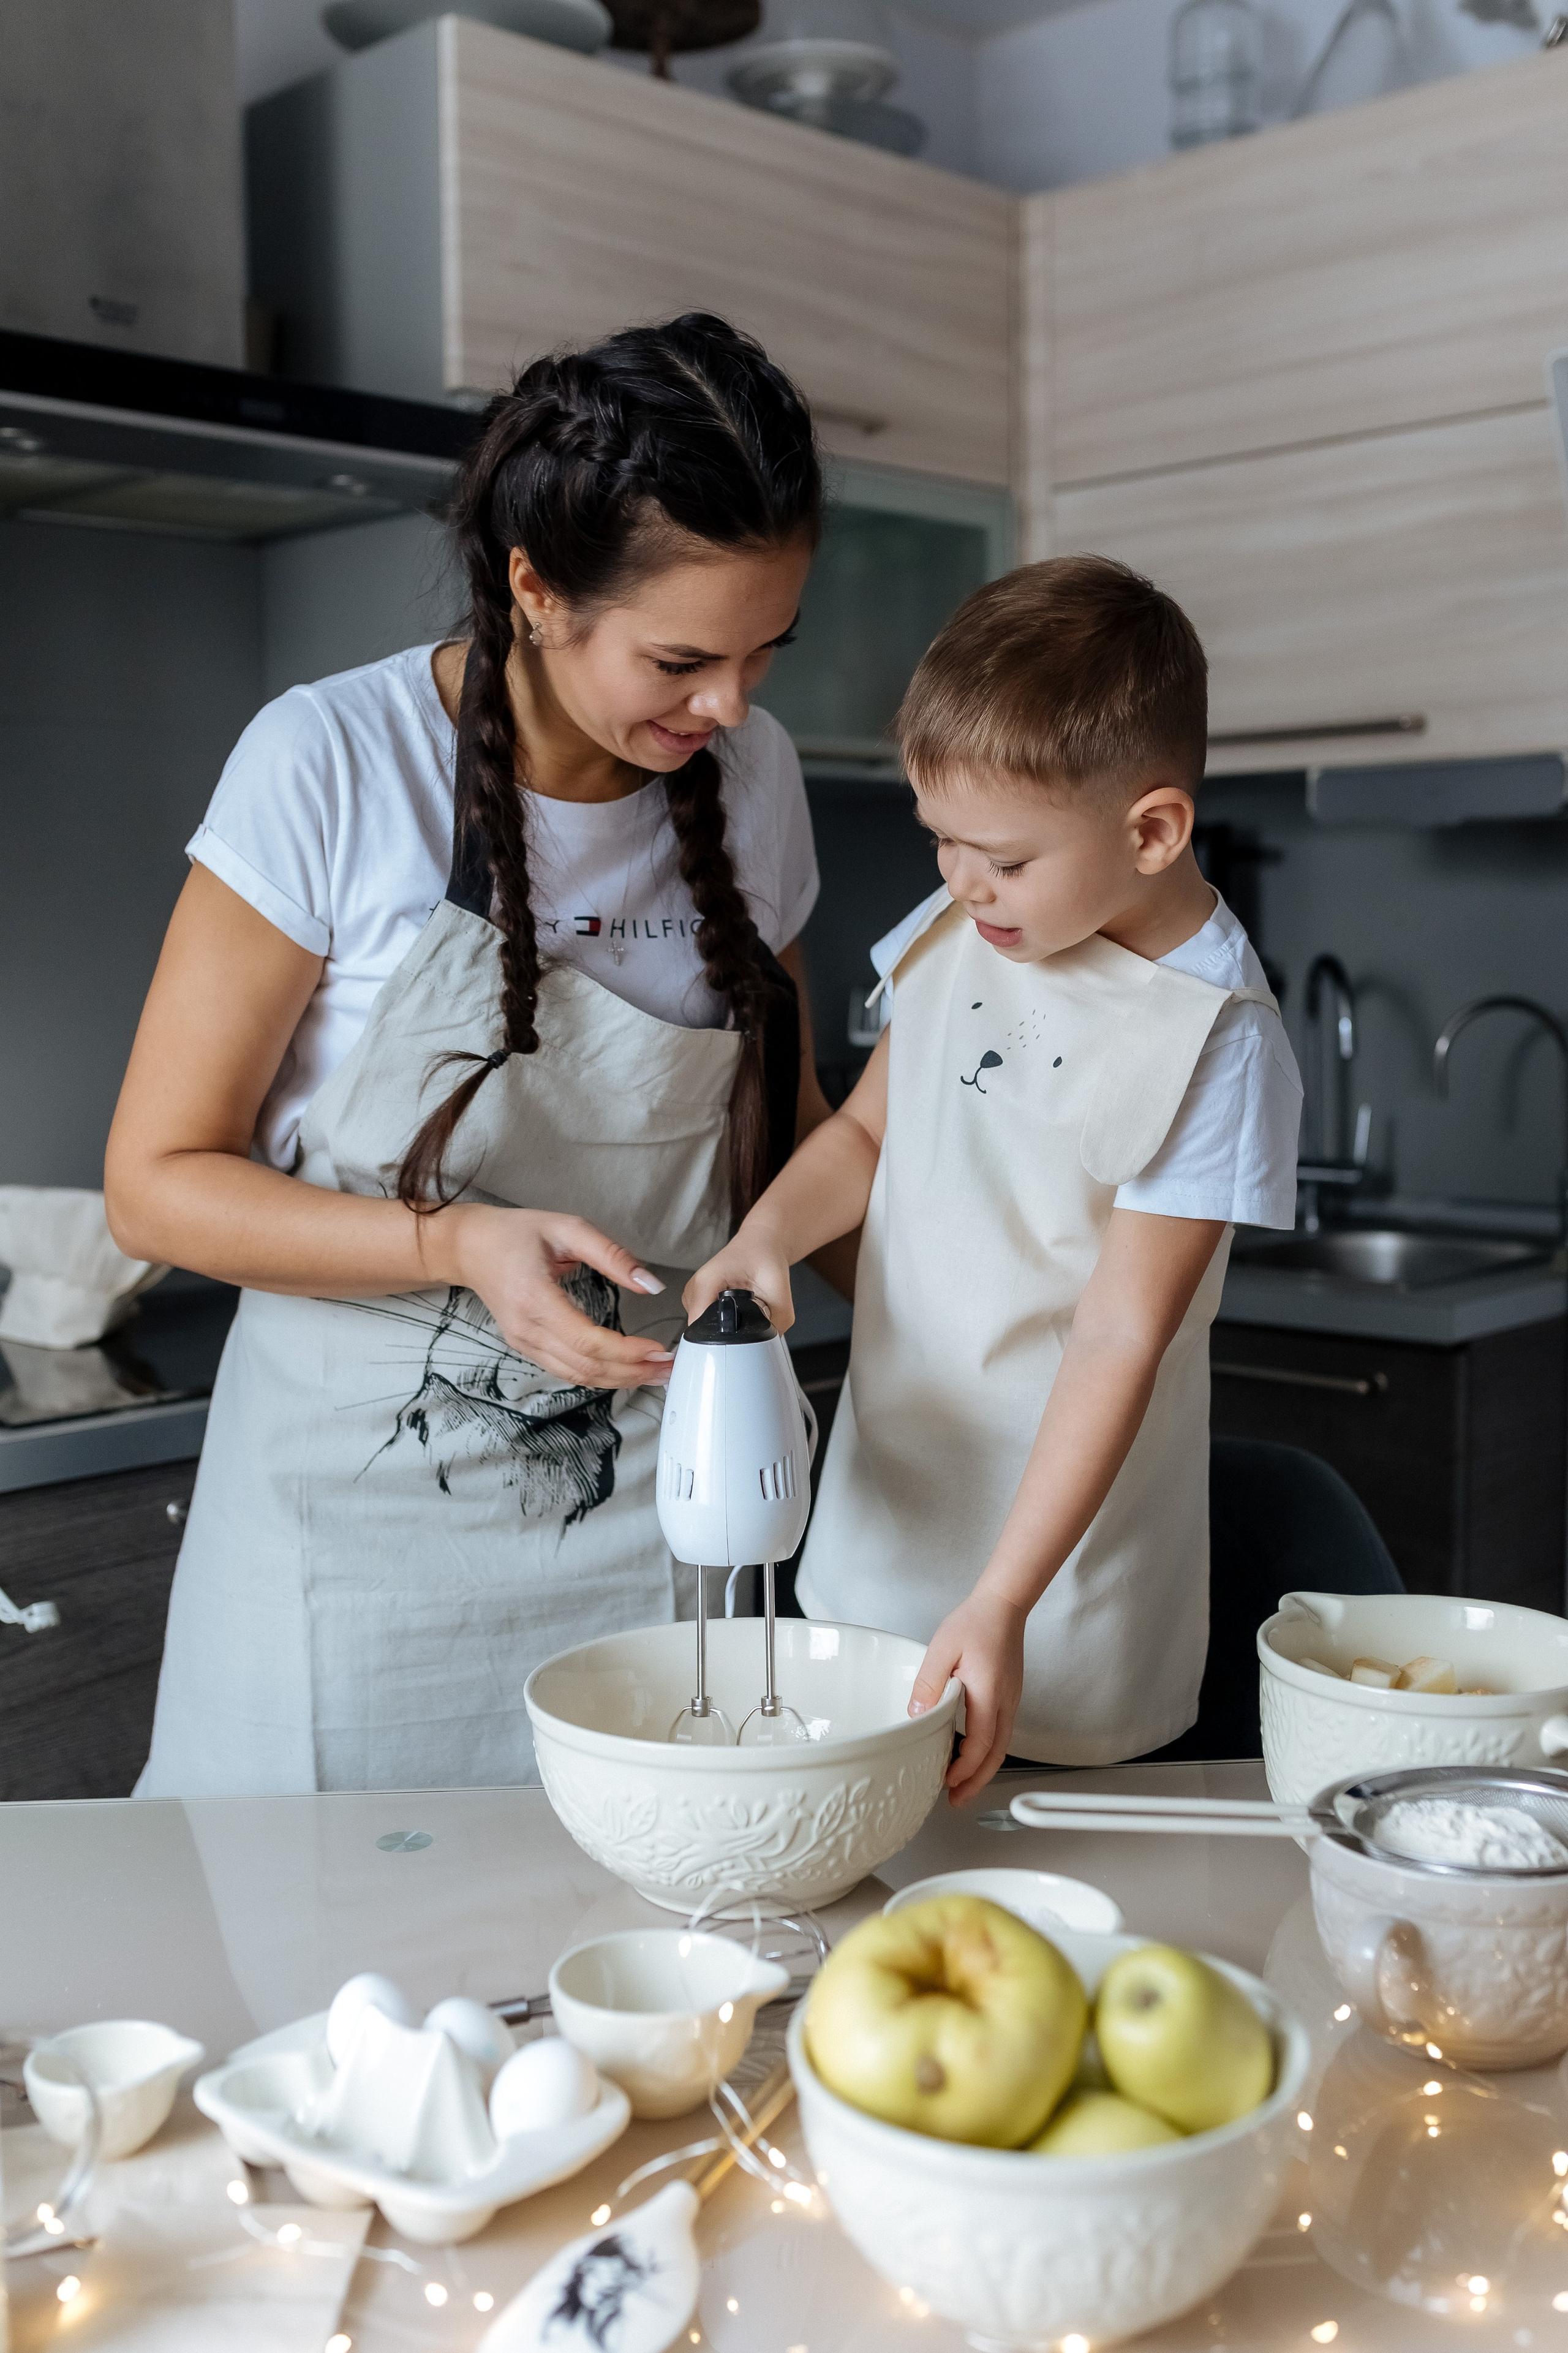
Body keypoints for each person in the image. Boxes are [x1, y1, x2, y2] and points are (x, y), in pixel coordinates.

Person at [106, 312, 832, 1796]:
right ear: (533, 587)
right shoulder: (329, 763)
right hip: (351, 1546)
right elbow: (155, 1186)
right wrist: (457, 1245)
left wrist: (1023, 1334)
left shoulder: (751, 785)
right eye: (685, 659)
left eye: (767, 651)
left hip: (658, 1527)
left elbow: (803, 1137)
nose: (733, 708)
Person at [685, 557, 1302, 1799]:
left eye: (999, 859)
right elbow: (868, 1135)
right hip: (874, 1540)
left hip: (1057, 1603)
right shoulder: (981, 919)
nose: (961, 885)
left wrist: (1004, 1597)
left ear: (1151, 830)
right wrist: (762, 1235)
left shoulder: (1214, 1040)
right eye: (941, 845)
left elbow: (1119, 1336)